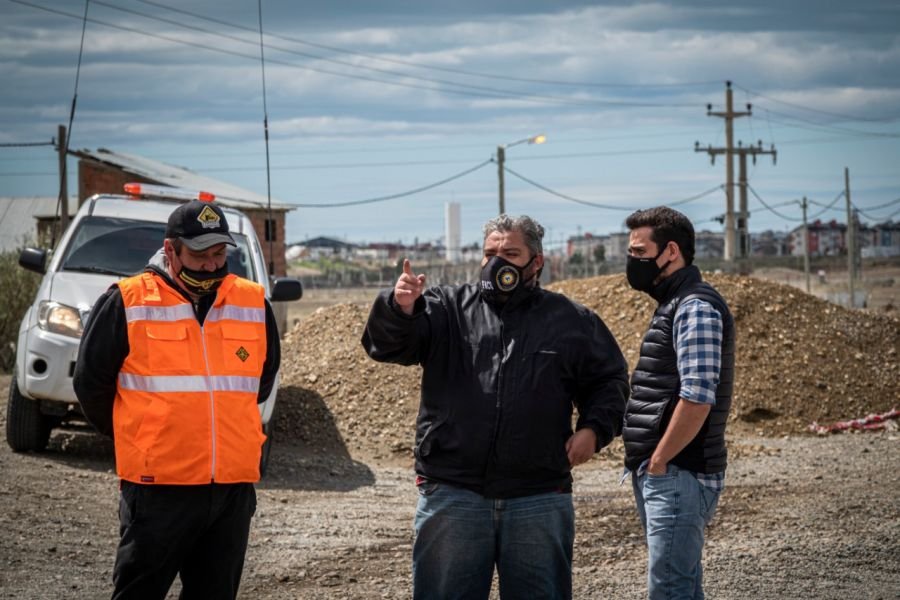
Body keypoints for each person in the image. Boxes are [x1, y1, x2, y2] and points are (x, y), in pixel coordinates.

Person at [361, 214, 629, 599]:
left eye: (510, 253)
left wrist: (594, 429)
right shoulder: (444, 308)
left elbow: (610, 381)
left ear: (536, 262)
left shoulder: (572, 320)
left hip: (538, 494)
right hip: (454, 493)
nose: (496, 262)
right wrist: (399, 308)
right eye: (490, 253)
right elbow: (387, 347)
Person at [74, 199, 281, 600]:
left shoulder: (253, 302)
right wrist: (141, 439)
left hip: (231, 492)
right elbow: (91, 384)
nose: (211, 264)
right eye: (200, 254)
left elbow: (262, 380)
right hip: (158, 489)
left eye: (219, 254)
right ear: (171, 250)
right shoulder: (127, 300)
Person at [621, 206, 735, 600]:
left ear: (670, 251)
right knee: (679, 587)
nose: (631, 262)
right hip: (667, 473)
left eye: (638, 252)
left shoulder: (695, 307)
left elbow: (697, 397)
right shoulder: (675, 304)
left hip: (677, 473)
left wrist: (659, 461)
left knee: (670, 589)